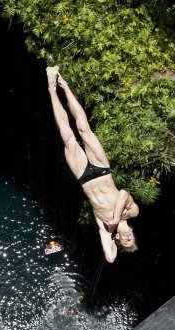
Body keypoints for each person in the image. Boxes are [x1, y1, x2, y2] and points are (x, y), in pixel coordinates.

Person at [47, 66, 139, 263]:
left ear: (119, 241)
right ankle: (64, 85)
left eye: (127, 243)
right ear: (131, 232)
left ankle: (52, 88)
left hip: (84, 178)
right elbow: (123, 193)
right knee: (83, 129)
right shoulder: (132, 212)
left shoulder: (106, 229)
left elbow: (111, 258)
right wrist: (117, 218)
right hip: (103, 171)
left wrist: (113, 232)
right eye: (132, 240)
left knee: (67, 136)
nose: (129, 240)